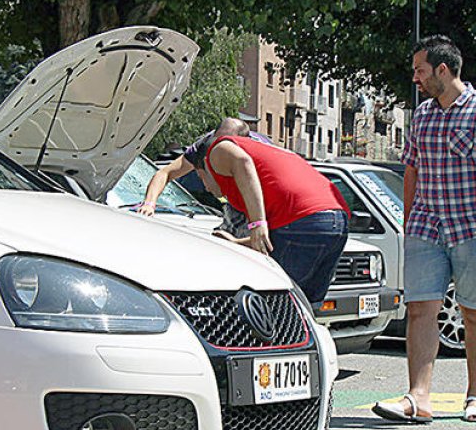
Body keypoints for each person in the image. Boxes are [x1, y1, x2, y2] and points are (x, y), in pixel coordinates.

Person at [373, 35, 476, 424]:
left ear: (443, 69)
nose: (415, 78)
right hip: (426, 226)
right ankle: (418, 398)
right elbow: (412, 170)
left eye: (420, 70)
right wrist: (407, 223)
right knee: (420, 309)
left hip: (473, 228)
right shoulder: (421, 115)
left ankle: (475, 397)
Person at [186, 133, 350, 304]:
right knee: (307, 305)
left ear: (204, 164)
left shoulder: (217, 150)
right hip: (337, 222)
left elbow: (242, 162)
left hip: (304, 220)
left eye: (200, 177)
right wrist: (235, 242)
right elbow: (272, 241)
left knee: (274, 303)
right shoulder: (270, 161)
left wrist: (258, 223)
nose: (205, 187)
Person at [138, 118, 266, 218]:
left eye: (226, 143)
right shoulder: (203, 147)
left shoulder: (257, 152)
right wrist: (149, 204)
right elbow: (165, 173)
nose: (218, 147)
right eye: (217, 140)